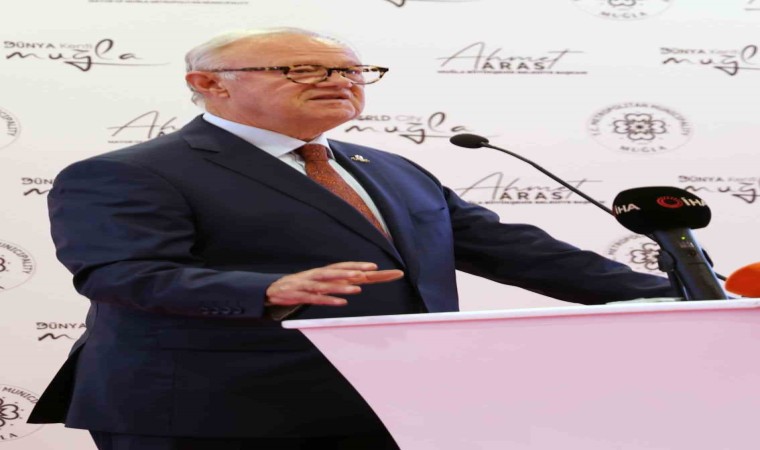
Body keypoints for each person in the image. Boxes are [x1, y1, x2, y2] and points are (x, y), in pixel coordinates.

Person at [28, 28, 675, 449]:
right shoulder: (129, 173)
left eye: (353, 70)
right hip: (208, 412)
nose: (339, 80)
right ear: (208, 83)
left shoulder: (388, 168)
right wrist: (267, 290)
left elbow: (514, 251)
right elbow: (124, 275)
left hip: (389, 405)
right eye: (301, 68)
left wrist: (688, 296)